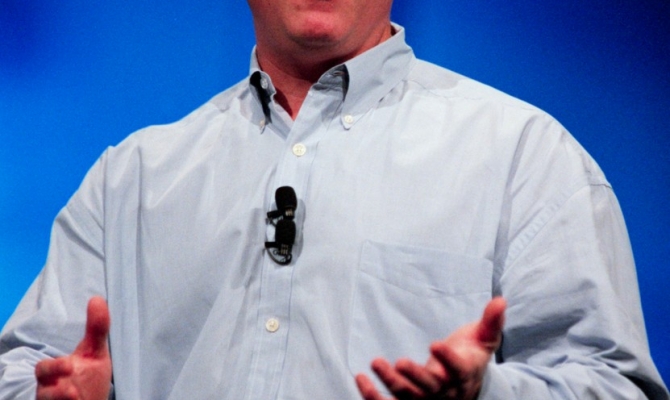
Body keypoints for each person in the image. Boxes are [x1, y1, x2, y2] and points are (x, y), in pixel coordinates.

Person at [0, 0, 668, 399]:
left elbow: (614, 386)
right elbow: (24, 370)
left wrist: (488, 392)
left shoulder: (524, 155)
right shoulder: (133, 178)